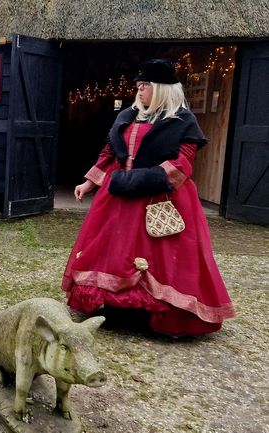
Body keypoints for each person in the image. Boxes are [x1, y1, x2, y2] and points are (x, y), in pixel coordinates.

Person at [63, 59, 235, 336]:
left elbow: (184, 163)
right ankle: (115, 309)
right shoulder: (128, 116)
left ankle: (154, 314)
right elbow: (110, 153)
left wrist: (144, 180)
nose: (139, 91)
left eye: (145, 86)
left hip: (161, 197)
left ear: (162, 89)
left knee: (162, 256)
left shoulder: (183, 121)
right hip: (118, 197)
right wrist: (89, 182)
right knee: (114, 252)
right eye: (139, 86)